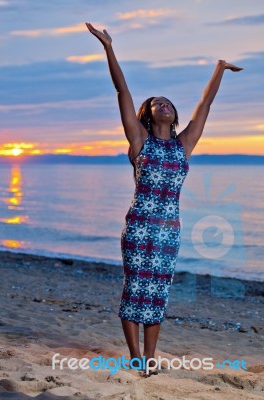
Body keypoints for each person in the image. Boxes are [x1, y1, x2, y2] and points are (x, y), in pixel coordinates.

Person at [86, 22, 242, 375]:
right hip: (139, 228)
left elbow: (204, 107)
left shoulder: (183, 145)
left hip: (169, 231)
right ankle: (136, 357)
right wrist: (108, 47)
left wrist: (219, 69)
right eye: (157, 103)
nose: (164, 105)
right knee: (135, 289)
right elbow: (122, 92)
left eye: (168, 103)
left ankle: (151, 357)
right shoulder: (140, 143)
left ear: (174, 114)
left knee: (157, 295)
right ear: (148, 113)